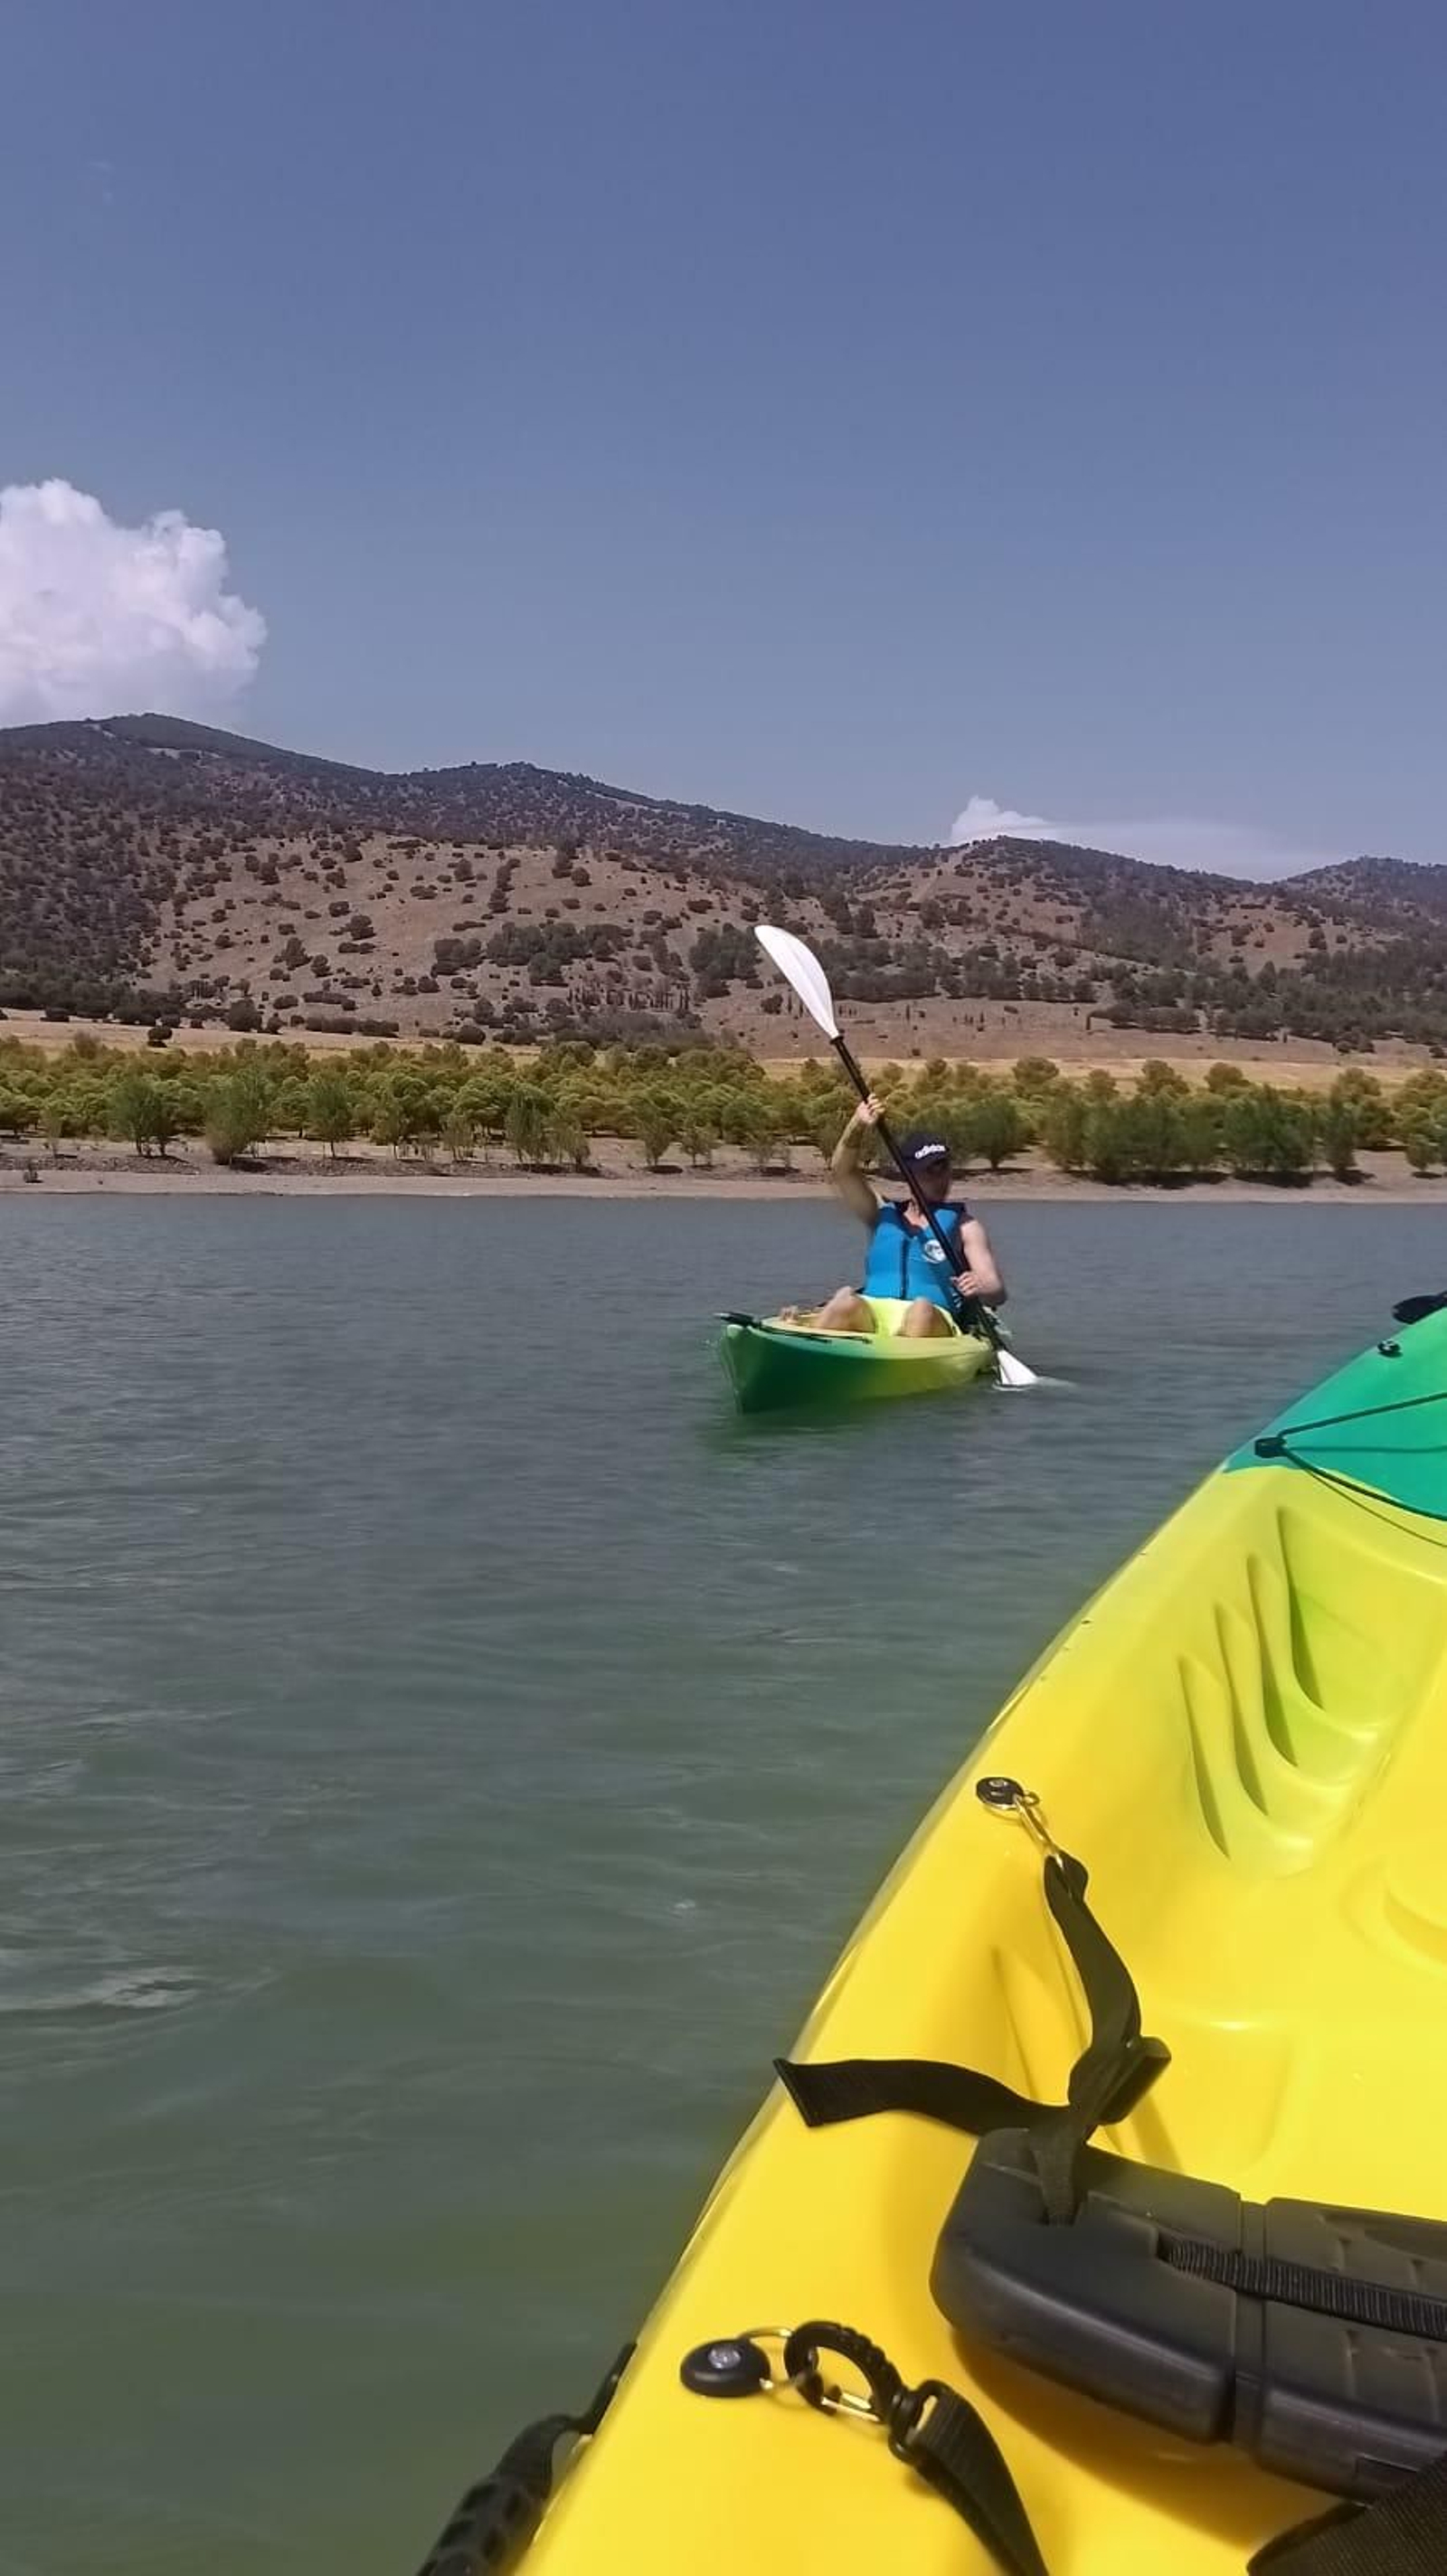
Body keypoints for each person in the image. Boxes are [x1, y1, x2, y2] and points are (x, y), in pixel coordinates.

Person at [802, 1095, 1006, 1340]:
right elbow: (842, 1171)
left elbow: (996, 1289)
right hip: (877, 1318)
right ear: (909, 1175)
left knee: (921, 1308)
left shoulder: (966, 1226)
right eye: (931, 1170)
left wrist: (980, 1284)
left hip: (935, 1320)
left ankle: (898, 1361)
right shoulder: (881, 1213)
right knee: (846, 1299)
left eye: (945, 1168)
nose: (942, 1178)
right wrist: (857, 1124)